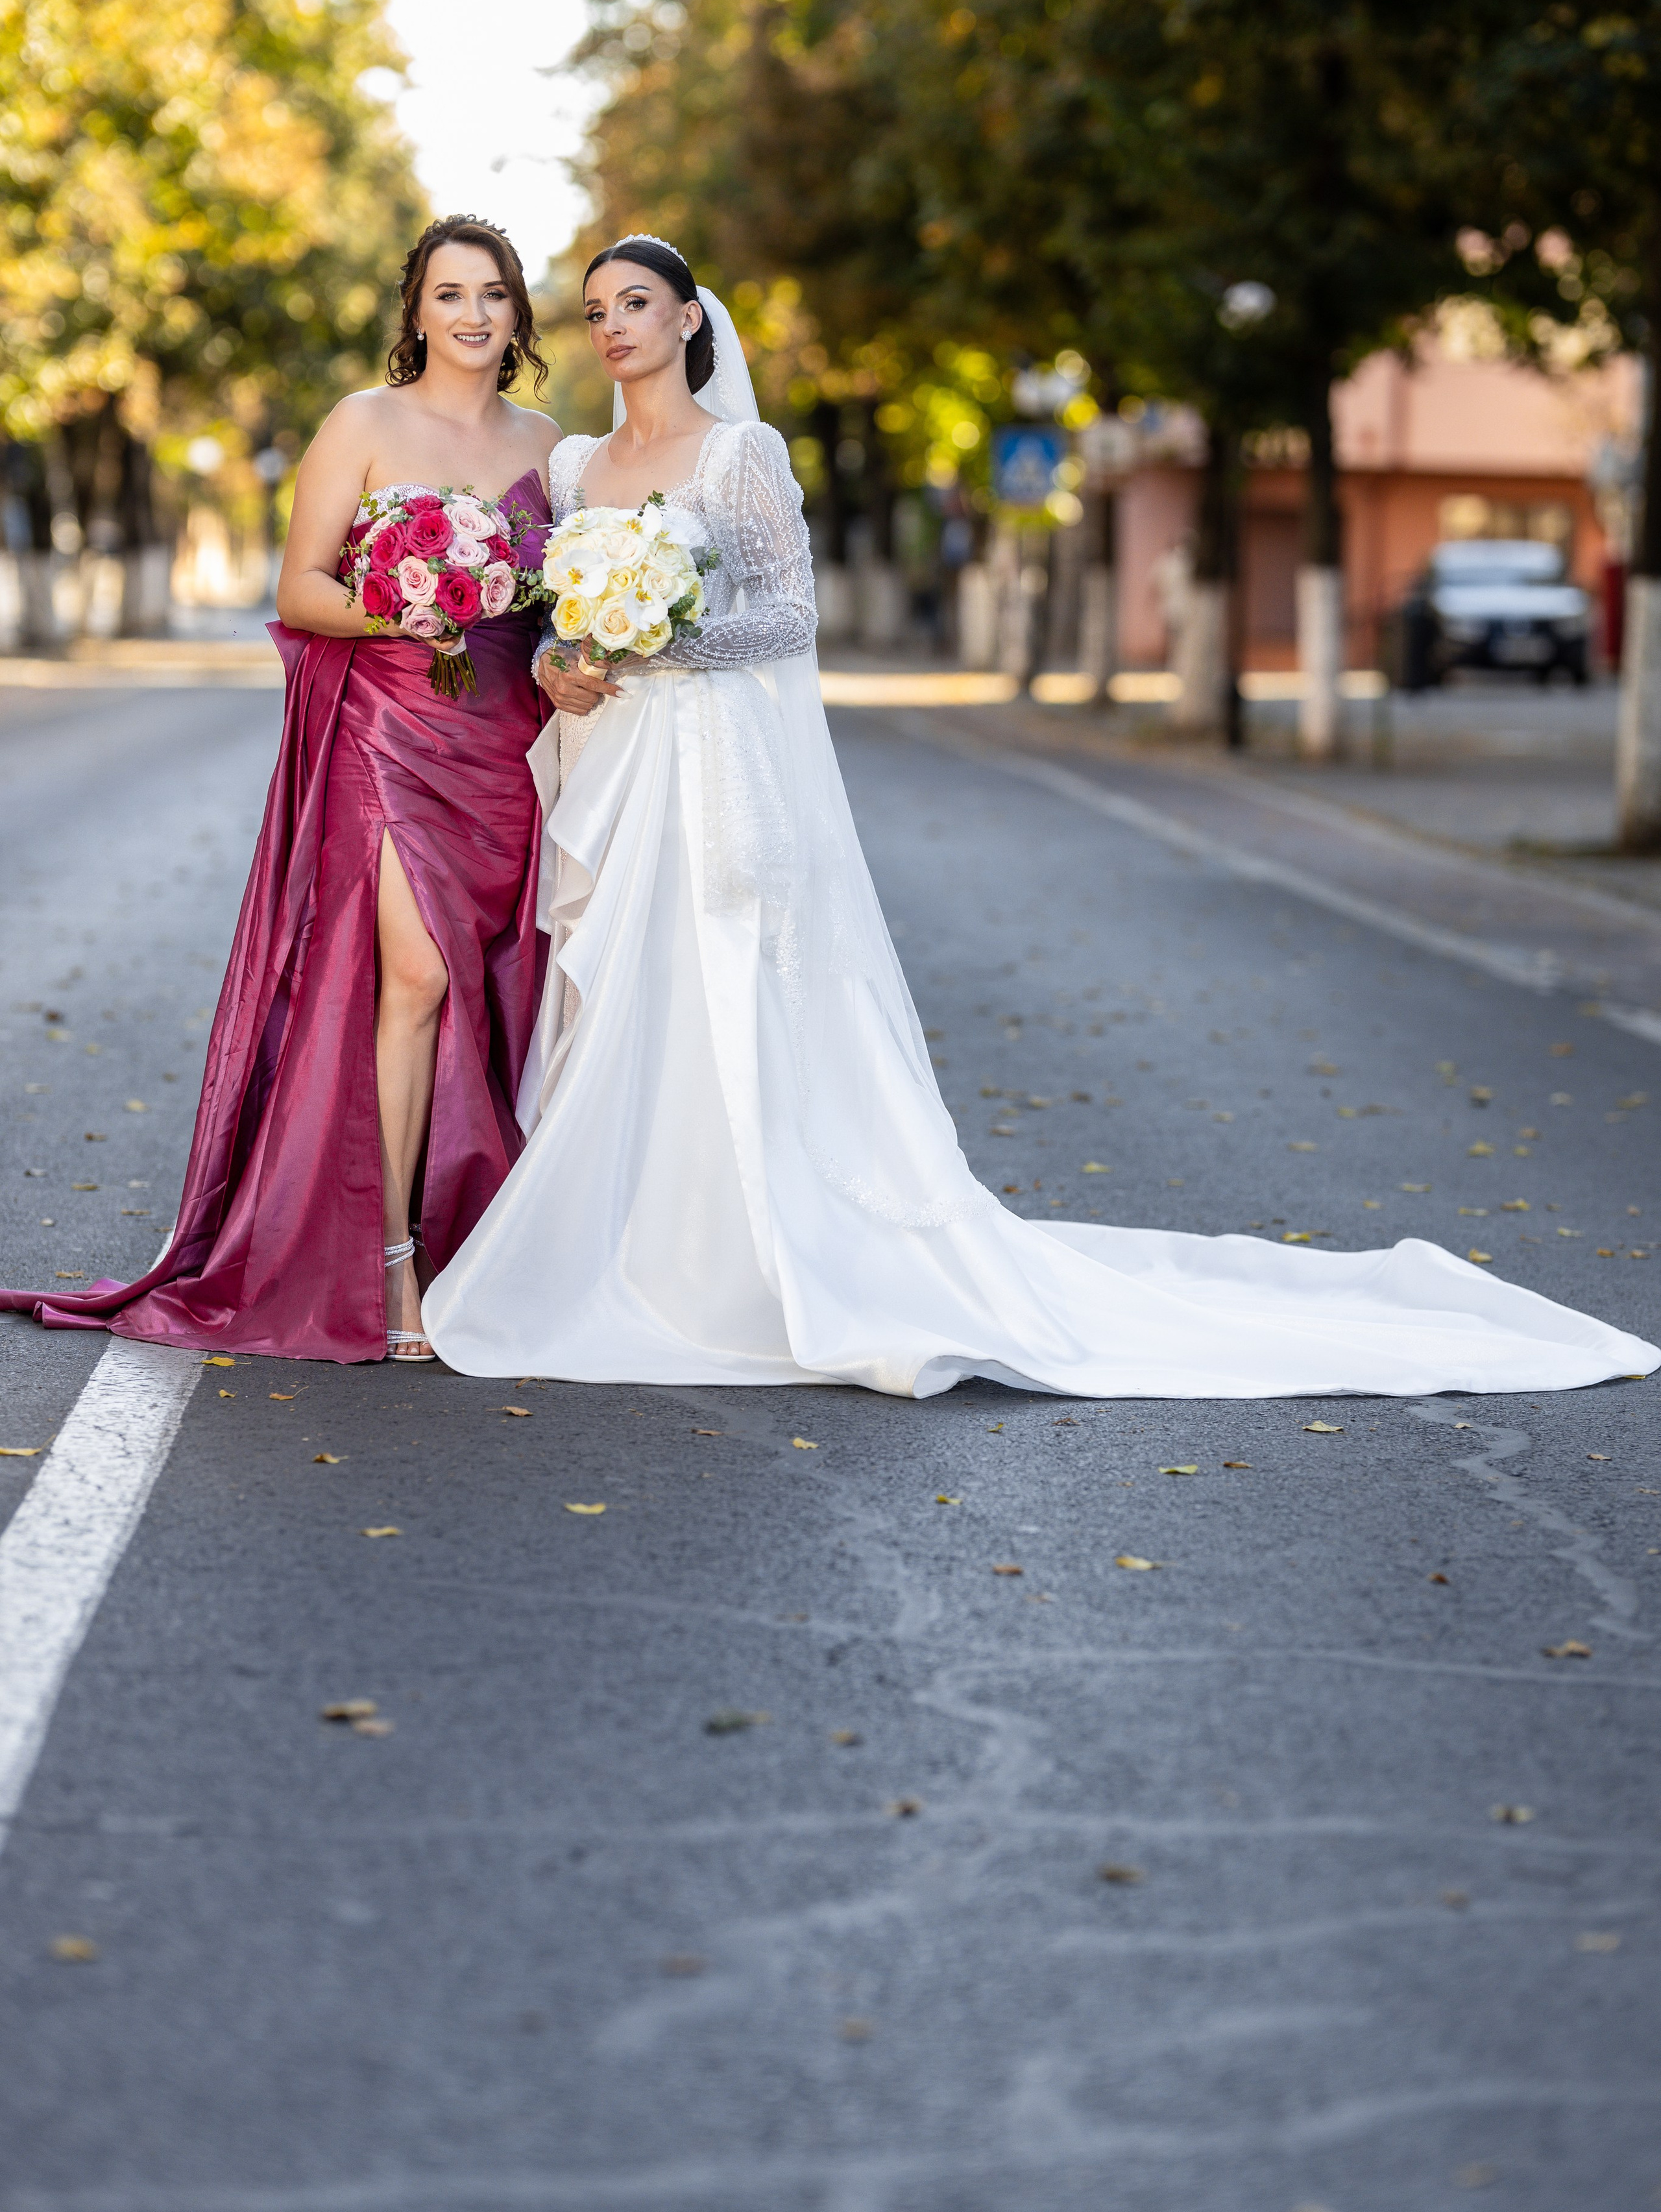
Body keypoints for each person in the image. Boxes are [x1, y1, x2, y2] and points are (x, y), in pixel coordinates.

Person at [421, 234, 1658, 1400]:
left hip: (719, 761)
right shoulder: (574, 469)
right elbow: (552, 626)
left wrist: (670, 635)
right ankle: (634, 1241)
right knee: (626, 985)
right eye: (597, 311)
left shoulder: (742, 457)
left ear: (690, 319)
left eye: (637, 304)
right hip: (614, 759)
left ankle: (753, 1254)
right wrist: (563, 661)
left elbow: (792, 615)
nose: (614, 327)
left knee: (731, 982)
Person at [3, 216, 557, 1363]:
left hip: (507, 740)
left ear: (517, 313)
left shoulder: (553, 446)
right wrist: (403, 610)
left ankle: (467, 1233)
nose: (472, 314)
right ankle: (391, 1259)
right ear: (415, 312)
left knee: (489, 985)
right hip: (388, 731)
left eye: (493, 293)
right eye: (449, 293)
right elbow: (301, 587)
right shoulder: (362, 422)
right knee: (416, 975)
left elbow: (559, 603)